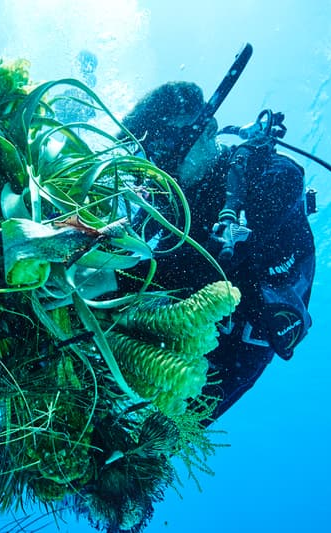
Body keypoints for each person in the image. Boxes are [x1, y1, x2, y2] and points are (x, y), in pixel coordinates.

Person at [119, 81, 316, 421]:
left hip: (240, 347)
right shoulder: (174, 198)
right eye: (149, 157)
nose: (158, 169)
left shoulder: (269, 178)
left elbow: (209, 268)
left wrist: (116, 275)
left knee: (155, 440)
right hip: (182, 324)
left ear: (208, 128)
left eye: (166, 147)